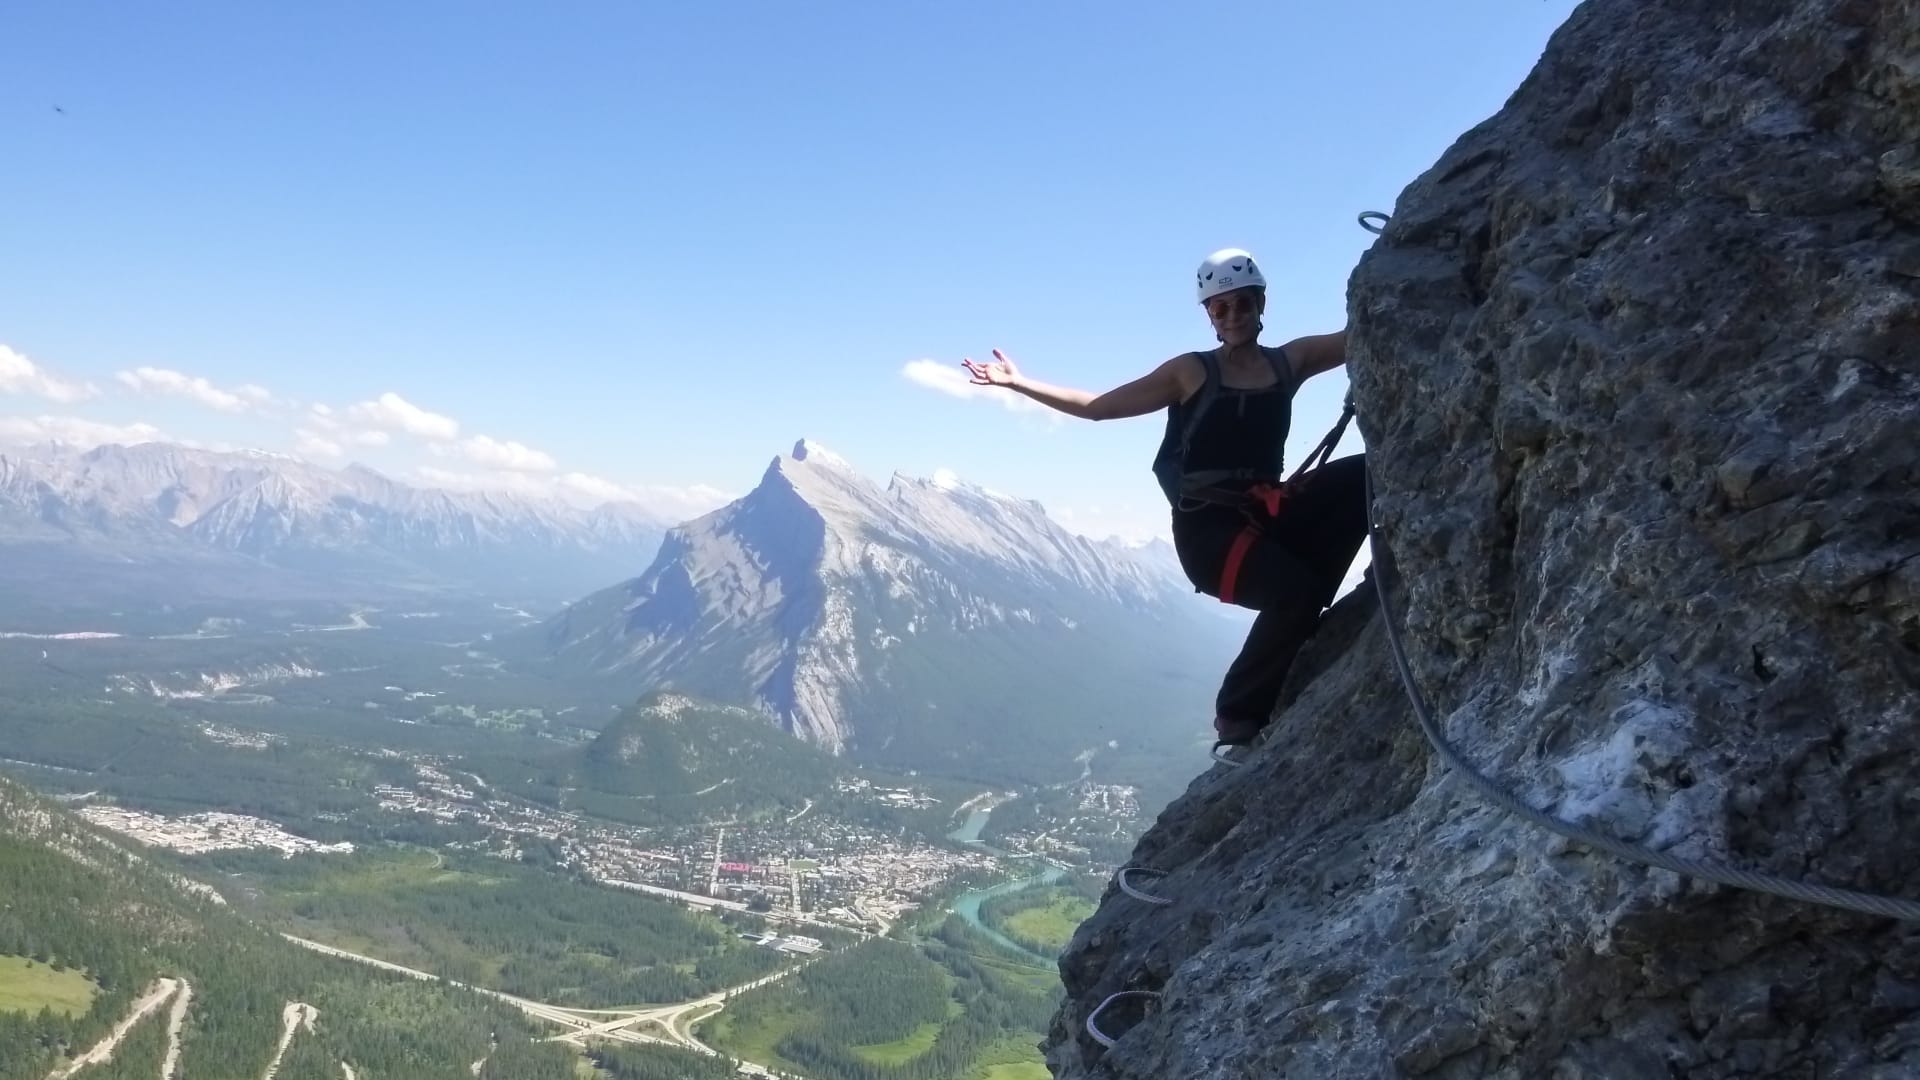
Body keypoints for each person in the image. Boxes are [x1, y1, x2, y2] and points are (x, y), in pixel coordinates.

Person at [960, 248, 1370, 761]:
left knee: (1366, 475)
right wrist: (1018, 383)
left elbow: (1365, 329)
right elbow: (1099, 408)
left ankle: (1312, 600)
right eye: (1220, 307)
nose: (1233, 315)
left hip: (1267, 514)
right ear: (1209, 316)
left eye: (1242, 303)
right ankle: (1237, 716)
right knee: (1295, 593)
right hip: (1210, 536)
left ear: (1261, 304)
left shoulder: (1291, 361)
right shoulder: (1189, 373)